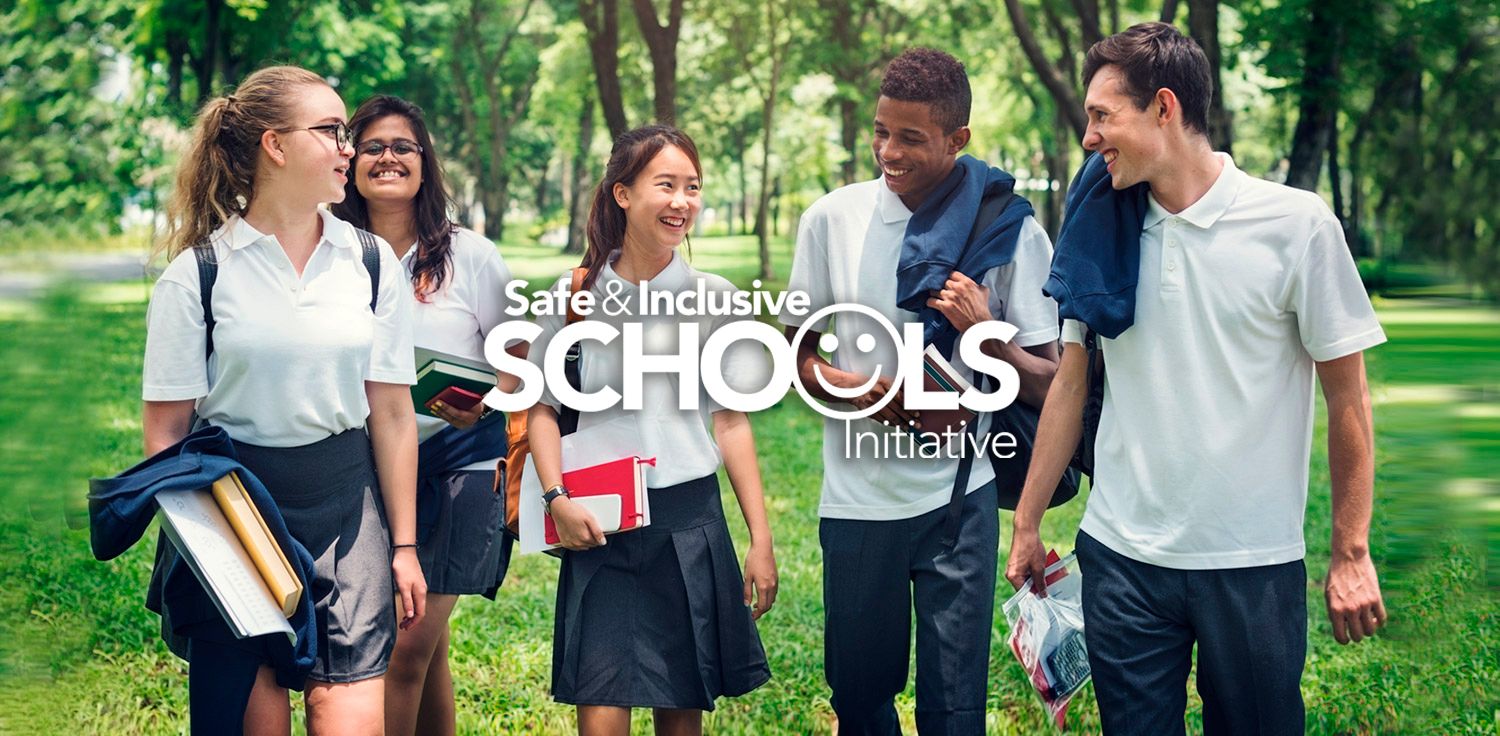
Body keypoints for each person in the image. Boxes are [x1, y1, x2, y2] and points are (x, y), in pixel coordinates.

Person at [1004, 22, 1388, 736]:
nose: (1089, 138)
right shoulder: (1102, 229)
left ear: (1165, 108)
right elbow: (1069, 385)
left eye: (1101, 116)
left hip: (1251, 561)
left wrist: (1351, 552)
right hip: (1121, 558)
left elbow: (1349, 398)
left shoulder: (1295, 225)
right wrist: (1027, 523)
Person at [780, 49, 1061, 734]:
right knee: (859, 700)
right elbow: (796, 358)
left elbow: (1057, 382)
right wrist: (872, 392)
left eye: (911, 137)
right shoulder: (830, 219)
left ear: (958, 139)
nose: (888, 151)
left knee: (955, 707)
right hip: (856, 502)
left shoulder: (1011, 230)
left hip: (957, 501)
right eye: (881, 131)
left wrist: (989, 334)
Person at [141, 65, 425, 734]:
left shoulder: (372, 260)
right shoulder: (198, 277)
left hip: (348, 510)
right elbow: (166, 434)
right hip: (235, 515)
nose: (348, 148)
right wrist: (211, 552)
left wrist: (404, 544)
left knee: (349, 712)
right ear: (274, 145)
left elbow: (390, 413)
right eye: (331, 131)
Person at [525, 125, 777, 736]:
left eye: (692, 188)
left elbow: (731, 421)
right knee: (600, 716)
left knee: (679, 718)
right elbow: (541, 410)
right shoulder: (574, 297)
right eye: (665, 185)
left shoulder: (714, 299)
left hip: (690, 525)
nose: (681, 202)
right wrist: (557, 499)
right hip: (600, 528)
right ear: (622, 194)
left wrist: (761, 539)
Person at [331, 94, 518, 736]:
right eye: (373, 146)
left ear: (424, 162)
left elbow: (522, 369)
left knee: (404, 645)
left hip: (464, 460)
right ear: (349, 161)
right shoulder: (328, 256)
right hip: (371, 461)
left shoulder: (472, 255)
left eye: (403, 146)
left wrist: (480, 400)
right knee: (426, 649)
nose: (388, 157)